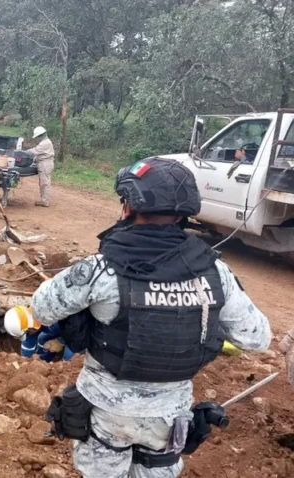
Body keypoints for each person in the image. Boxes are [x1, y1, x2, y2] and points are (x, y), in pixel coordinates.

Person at [30, 157, 271, 478]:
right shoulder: (215, 271)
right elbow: (257, 338)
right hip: (168, 420)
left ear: (128, 207)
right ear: (183, 214)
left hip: (107, 414)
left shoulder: (100, 270)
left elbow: (42, 308)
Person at [27, 126, 55, 207]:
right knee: (44, 182)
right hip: (45, 163)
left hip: (45, 164)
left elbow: (35, 151)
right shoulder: (46, 142)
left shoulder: (45, 143)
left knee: (44, 183)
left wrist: (24, 151)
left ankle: (45, 201)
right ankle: (44, 200)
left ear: (40, 135)